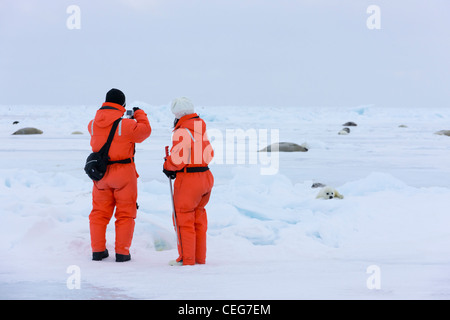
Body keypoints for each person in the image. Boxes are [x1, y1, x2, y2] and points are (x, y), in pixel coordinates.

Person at [88, 88, 151, 262]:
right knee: (125, 214)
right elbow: (145, 131)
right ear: (122, 105)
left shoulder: (92, 124)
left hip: (101, 174)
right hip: (124, 174)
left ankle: (98, 251)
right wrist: (139, 114)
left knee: (99, 213)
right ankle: (122, 253)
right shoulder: (127, 125)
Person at [163, 97, 214, 266]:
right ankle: (199, 259)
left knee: (183, 219)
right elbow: (209, 154)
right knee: (198, 219)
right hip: (205, 176)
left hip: (189, 180)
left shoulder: (182, 131)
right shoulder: (200, 128)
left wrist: (167, 165)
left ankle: (187, 260)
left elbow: (178, 160)